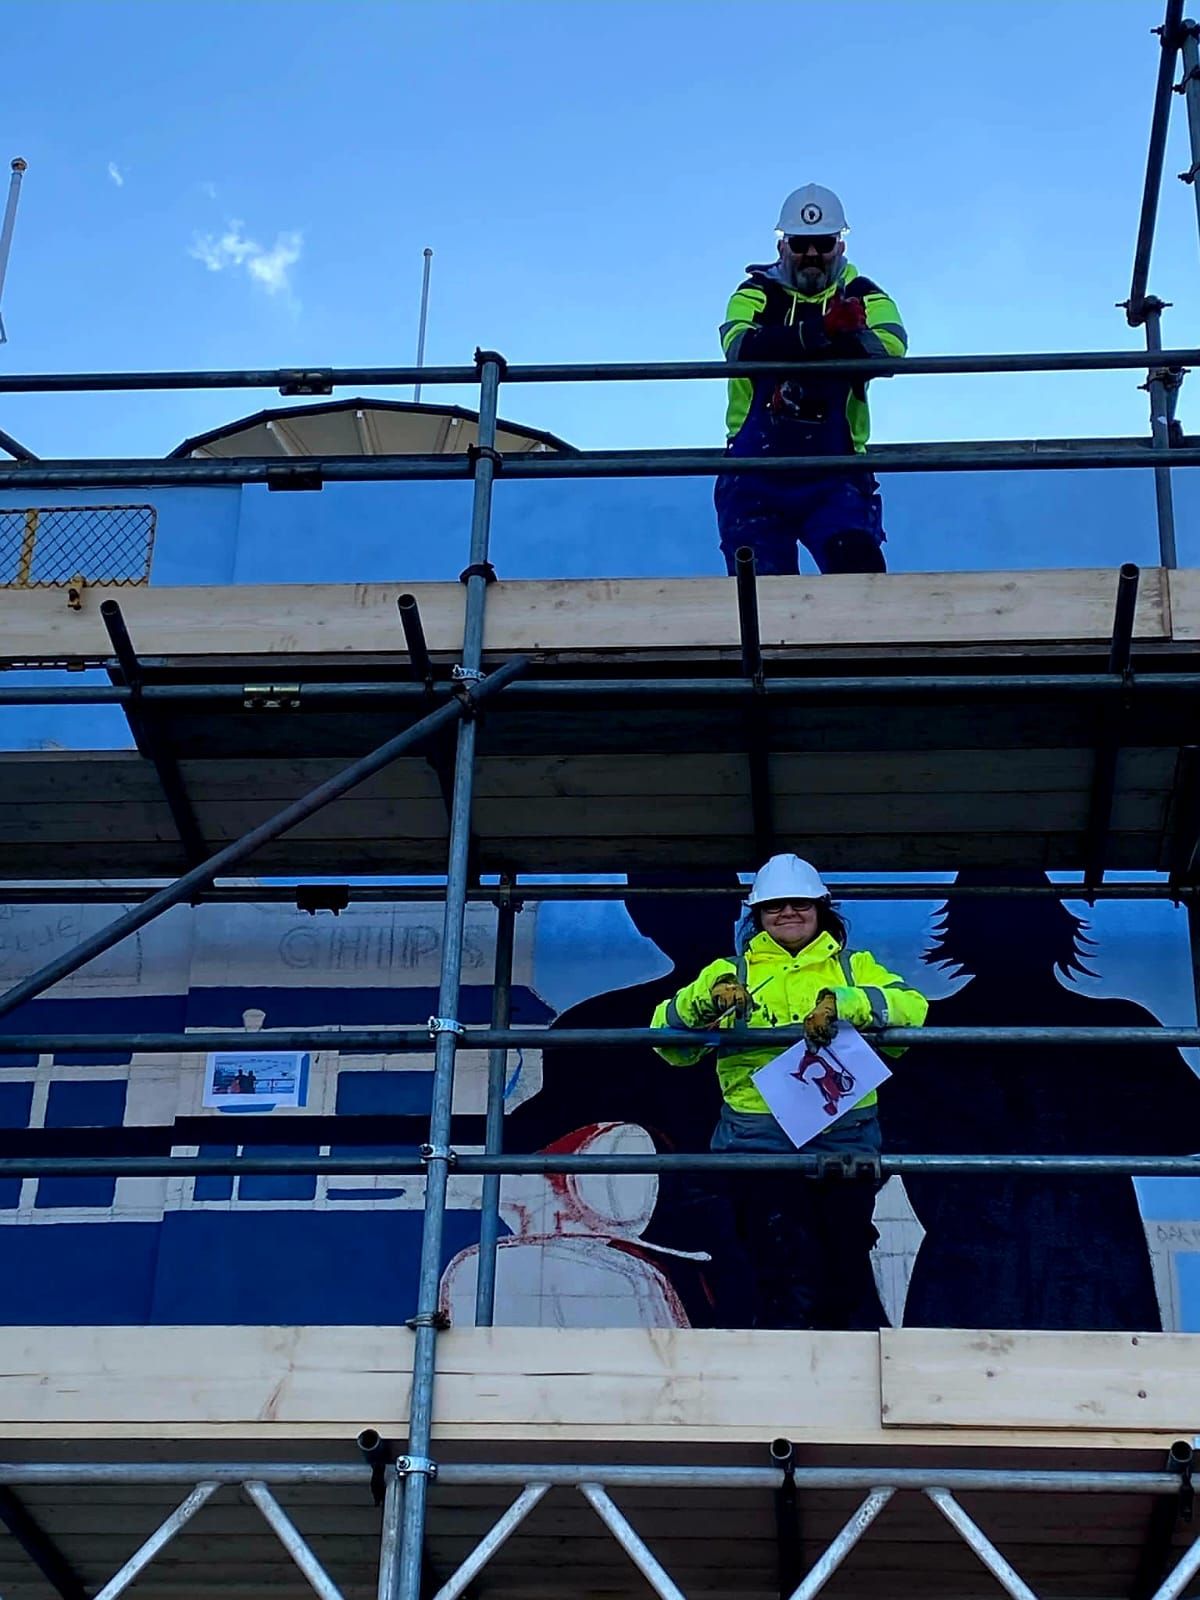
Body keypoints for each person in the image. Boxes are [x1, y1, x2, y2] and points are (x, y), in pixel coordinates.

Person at [650, 853, 928, 1329]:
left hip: (844, 1142)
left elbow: (912, 1009)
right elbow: (667, 1041)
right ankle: (787, 1367)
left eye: (800, 903)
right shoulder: (729, 972)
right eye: (774, 906)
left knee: (843, 1268)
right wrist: (706, 1002)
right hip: (757, 1145)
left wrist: (842, 1003)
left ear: (821, 909)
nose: (788, 913)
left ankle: (835, 1364)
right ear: (757, 914)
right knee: (773, 1271)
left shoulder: (854, 967)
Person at [715, 183, 907, 577]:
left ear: (840, 246)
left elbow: (891, 348)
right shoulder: (755, 292)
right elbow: (739, 347)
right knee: (764, 596)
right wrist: (823, 333)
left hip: (836, 475)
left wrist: (802, 341)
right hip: (755, 477)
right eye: (802, 244)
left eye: (824, 243)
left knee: (860, 577)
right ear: (783, 246)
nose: (812, 254)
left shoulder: (864, 295)